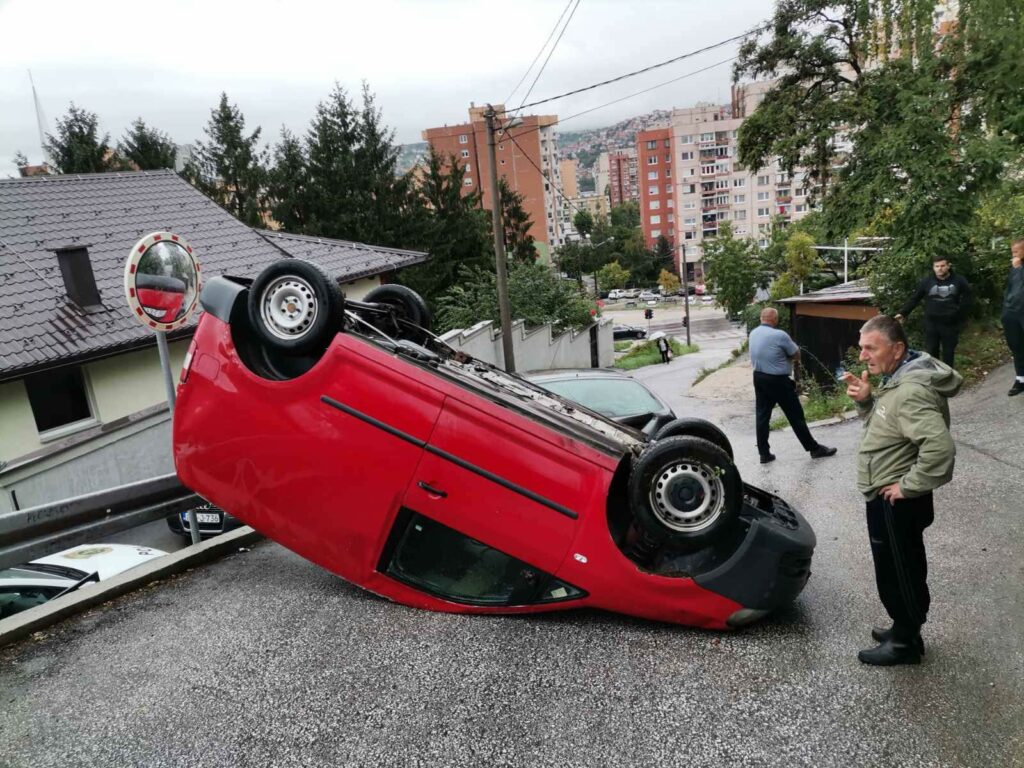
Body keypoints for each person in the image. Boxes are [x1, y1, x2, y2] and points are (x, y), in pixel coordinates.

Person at [843, 315, 961, 666]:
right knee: (899, 565)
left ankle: (906, 642)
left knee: (899, 570)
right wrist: (867, 401)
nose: (863, 356)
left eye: (870, 347)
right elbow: (888, 430)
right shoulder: (897, 379)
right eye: (861, 347)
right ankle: (903, 626)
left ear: (897, 348)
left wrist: (909, 487)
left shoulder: (910, 390)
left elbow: (940, 449)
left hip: (895, 499)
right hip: (888, 495)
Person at [749, 307, 837, 464]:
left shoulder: (753, 333)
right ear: (775, 319)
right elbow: (796, 353)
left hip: (759, 377)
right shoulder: (779, 335)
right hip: (778, 381)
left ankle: (764, 454)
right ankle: (814, 449)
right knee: (795, 415)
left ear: (761, 318)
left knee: (762, 416)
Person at [895, 256, 971, 368]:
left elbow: (968, 298)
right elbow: (915, 298)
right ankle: (935, 378)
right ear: (933, 267)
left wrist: (960, 315)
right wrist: (903, 313)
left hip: (950, 323)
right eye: (937, 266)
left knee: (948, 353)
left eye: (942, 266)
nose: (940, 269)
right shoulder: (927, 281)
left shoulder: (959, 281)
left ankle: (948, 378)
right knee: (931, 352)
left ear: (948, 266)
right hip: (932, 323)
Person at [1002, 238, 1024, 396]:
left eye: (1016, 251)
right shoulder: (1015, 268)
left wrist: (1019, 269)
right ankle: (1021, 379)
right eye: (1012, 252)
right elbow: (1010, 288)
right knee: (1016, 346)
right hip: (1012, 312)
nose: (1013, 255)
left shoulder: (1018, 268)